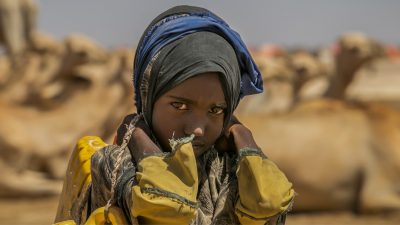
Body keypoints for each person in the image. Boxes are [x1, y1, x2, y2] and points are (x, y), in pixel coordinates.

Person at [54, 5, 295, 225]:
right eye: (180, 106)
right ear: (148, 98)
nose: (197, 129)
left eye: (216, 110)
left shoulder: (233, 168)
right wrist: (136, 133)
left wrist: (244, 137)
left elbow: (268, 205)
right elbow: (164, 202)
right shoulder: (115, 164)